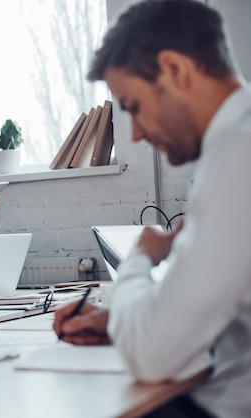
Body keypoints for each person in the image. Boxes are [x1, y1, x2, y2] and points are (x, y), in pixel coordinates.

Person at [52, 1, 250, 417]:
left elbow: (153, 357)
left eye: (134, 107)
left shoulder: (237, 155)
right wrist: (120, 320)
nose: (137, 134)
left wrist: (141, 256)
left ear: (175, 70)